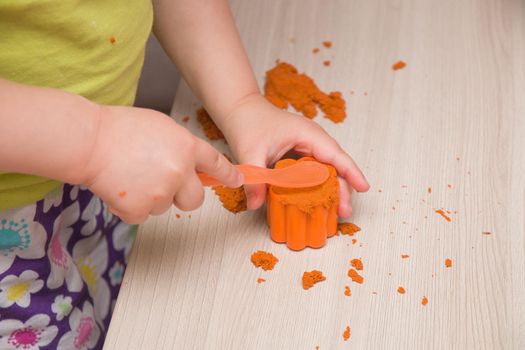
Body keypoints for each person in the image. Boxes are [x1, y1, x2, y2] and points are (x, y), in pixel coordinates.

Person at [0, 0, 369, 348]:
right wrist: (93, 141)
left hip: (102, 183)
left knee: (116, 314)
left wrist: (241, 103)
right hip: (12, 243)